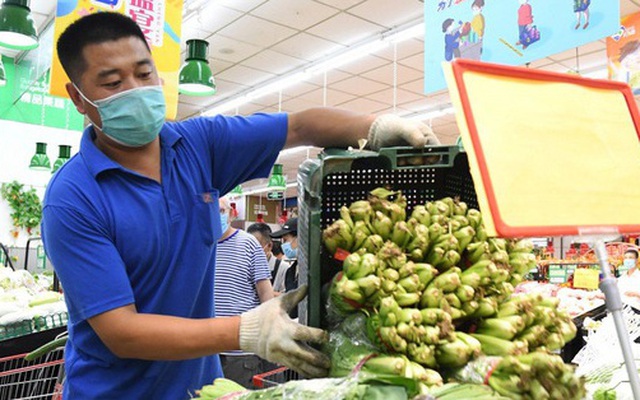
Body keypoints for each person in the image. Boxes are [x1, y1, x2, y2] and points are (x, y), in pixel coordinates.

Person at [41, 12, 440, 399]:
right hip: (114, 392)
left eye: (144, 74)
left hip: (202, 387)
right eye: (112, 83)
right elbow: (121, 331)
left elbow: (299, 125)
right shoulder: (73, 198)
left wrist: (372, 128)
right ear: (78, 97)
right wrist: (245, 331)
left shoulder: (197, 145)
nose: (135, 89)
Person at [215, 198, 276, 388]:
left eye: (221, 211)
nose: (216, 215)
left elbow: (266, 295)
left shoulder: (249, 244)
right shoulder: (200, 244)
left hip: (240, 352)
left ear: (232, 214)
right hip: (206, 350)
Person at [246, 222, 291, 295]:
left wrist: (263, 292)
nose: (250, 250)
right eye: (248, 245)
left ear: (269, 246)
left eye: (255, 246)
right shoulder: (243, 266)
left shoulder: (283, 268)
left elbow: (286, 298)